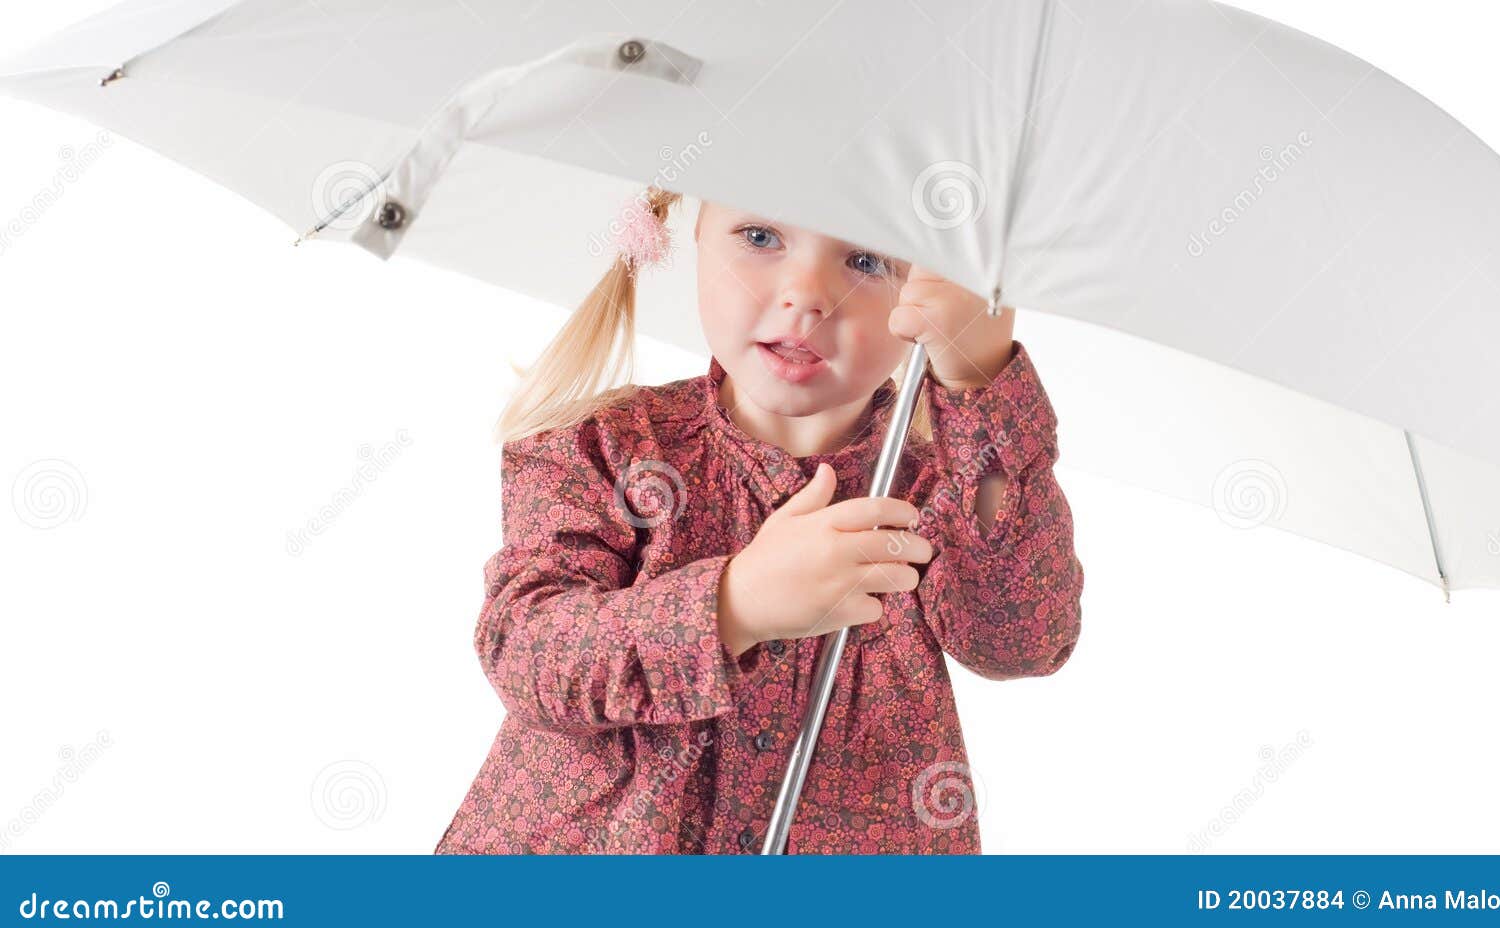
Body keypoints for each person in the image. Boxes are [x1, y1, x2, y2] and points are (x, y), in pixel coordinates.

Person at [434, 185, 1085, 854]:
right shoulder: (603, 443)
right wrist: (733, 605)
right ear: (696, 230)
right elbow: (526, 646)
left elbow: (1023, 637)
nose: (807, 293)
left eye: (866, 260)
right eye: (761, 237)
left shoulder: (937, 492)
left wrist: (980, 382)